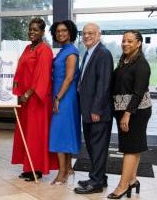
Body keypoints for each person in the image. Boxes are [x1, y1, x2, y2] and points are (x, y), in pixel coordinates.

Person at [11, 17, 58, 181]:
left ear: (43, 32)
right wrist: (17, 93)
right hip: (24, 100)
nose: (32, 32)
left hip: (36, 100)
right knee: (25, 133)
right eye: (30, 29)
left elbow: (42, 77)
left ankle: (36, 168)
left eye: (36, 30)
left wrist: (27, 94)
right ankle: (27, 165)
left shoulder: (44, 50)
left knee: (36, 134)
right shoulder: (27, 48)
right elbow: (19, 71)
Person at [107, 30, 151, 199]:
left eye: (130, 41)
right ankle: (132, 180)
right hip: (124, 110)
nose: (125, 43)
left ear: (138, 43)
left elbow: (138, 93)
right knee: (134, 147)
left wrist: (127, 114)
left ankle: (122, 186)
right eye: (124, 40)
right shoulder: (125, 61)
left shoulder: (141, 64)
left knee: (129, 149)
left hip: (136, 112)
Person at [75, 23, 114, 194]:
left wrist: (96, 110)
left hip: (98, 112)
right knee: (92, 146)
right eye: (84, 33)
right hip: (88, 110)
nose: (87, 36)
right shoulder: (89, 52)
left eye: (91, 33)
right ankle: (99, 177)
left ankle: (96, 183)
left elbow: (104, 85)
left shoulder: (103, 54)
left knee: (97, 147)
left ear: (99, 34)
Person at [48, 20, 81, 185]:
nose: (60, 34)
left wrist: (58, 98)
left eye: (64, 31)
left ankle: (62, 173)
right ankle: (68, 168)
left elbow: (69, 77)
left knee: (60, 133)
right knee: (66, 133)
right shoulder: (63, 50)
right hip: (62, 96)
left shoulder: (71, 52)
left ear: (70, 33)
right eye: (58, 31)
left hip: (65, 98)